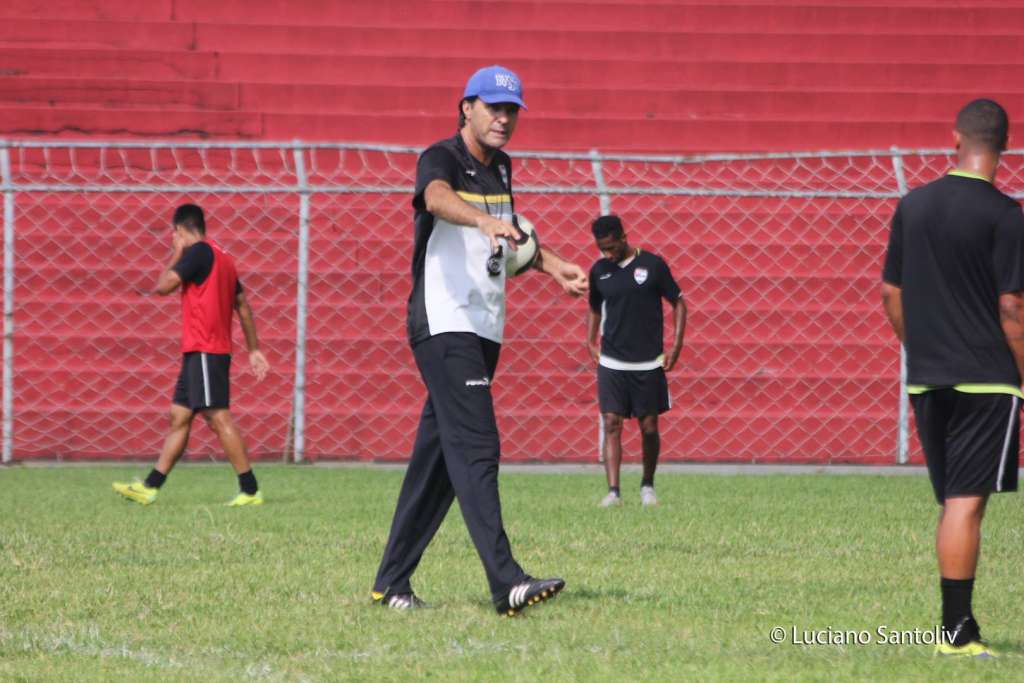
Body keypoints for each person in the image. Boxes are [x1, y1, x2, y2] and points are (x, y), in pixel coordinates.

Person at [371, 65, 589, 615]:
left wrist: (554, 264)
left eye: (511, 109)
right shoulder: (441, 157)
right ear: (465, 107)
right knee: (478, 446)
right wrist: (479, 220)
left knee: (439, 463)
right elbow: (436, 197)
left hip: (484, 327)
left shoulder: (504, 169)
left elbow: (510, 243)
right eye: (492, 106)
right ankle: (506, 580)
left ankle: (391, 582)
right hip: (445, 323)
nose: (503, 117)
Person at [881, 98, 1024, 658]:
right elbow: (1011, 307)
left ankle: (957, 625)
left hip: (928, 377)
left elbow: (891, 294)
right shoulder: (1006, 215)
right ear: (1003, 149)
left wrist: (921, 348)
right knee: (967, 503)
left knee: (954, 501)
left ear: (955, 139)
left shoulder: (912, 204)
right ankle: (957, 633)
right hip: (986, 380)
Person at [113, 204, 270, 507]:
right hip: (203, 351)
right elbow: (243, 306)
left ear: (180, 230)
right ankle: (150, 486)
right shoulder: (223, 257)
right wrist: (254, 349)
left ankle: (250, 490)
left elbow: (163, 286)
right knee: (180, 415)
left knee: (216, 416)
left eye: (174, 234)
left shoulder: (197, 252)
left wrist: (177, 253)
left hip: (205, 349)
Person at [586, 215, 686, 507]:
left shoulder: (652, 265)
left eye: (611, 247)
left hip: (648, 362)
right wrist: (590, 340)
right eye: (602, 249)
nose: (608, 254)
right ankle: (614, 492)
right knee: (611, 422)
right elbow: (594, 307)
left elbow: (679, 302)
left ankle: (647, 486)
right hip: (612, 361)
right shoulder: (599, 271)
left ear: (623, 237)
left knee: (649, 427)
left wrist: (676, 346)